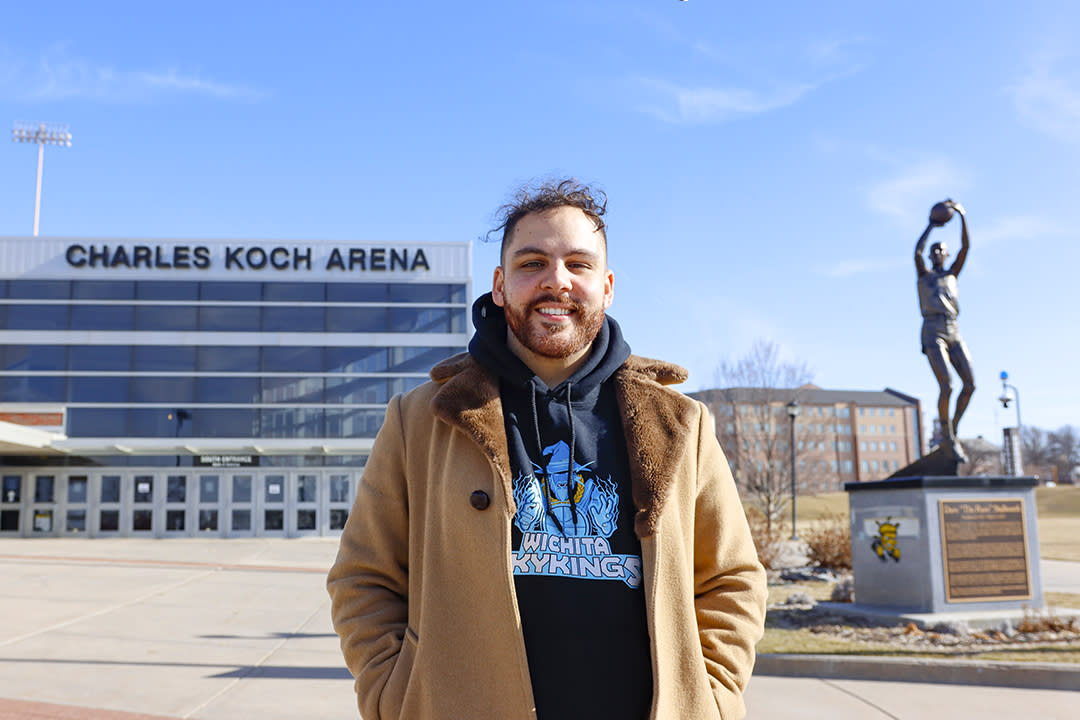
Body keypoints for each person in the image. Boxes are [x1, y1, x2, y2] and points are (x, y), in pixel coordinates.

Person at [327, 179, 767, 720]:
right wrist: (394, 696)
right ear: (500, 285)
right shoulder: (422, 419)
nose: (556, 281)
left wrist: (713, 696)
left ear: (606, 287)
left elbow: (731, 578)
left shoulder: (680, 423)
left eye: (578, 265)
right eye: (532, 262)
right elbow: (363, 578)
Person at [914, 199, 975, 461]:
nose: (938, 252)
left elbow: (966, 247)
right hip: (932, 329)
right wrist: (930, 226)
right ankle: (946, 432)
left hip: (954, 329)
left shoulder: (952, 275)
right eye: (934, 250)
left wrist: (961, 215)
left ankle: (954, 429)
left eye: (942, 249)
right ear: (931, 255)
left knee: (970, 384)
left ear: (947, 255)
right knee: (947, 385)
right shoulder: (924, 275)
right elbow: (916, 252)